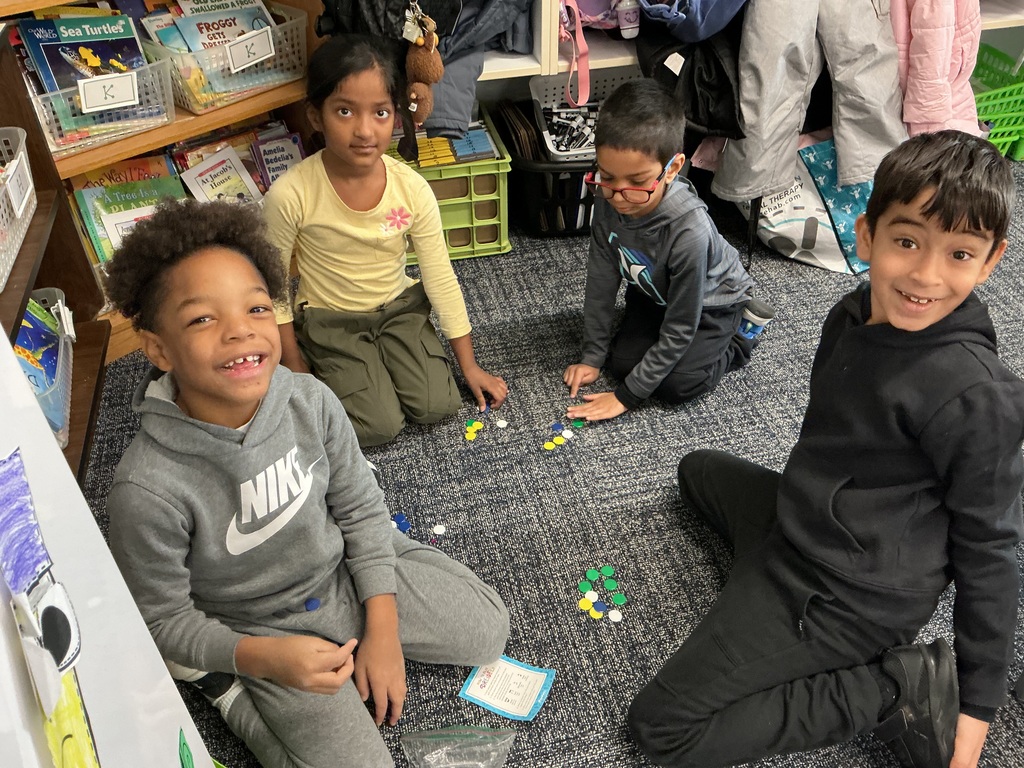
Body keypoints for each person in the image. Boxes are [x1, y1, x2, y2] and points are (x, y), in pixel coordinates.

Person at [628, 130, 1024, 768]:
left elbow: (991, 554)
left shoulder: (980, 398)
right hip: (805, 523)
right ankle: (763, 584)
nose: (924, 275)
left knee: (662, 728)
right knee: (696, 469)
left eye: (958, 254)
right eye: (906, 242)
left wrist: (976, 714)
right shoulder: (853, 311)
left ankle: (895, 687)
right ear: (866, 235)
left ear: (989, 262)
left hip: (856, 594)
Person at [103, 199, 510, 768]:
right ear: (158, 348)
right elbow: (164, 620)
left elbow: (361, 506)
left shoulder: (309, 398)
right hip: (258, 625)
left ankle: (385, 571)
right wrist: (262, 660)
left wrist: (383, 623)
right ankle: (224, 689)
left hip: (337, 568)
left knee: (487, 629)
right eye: (203, 318)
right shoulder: (145, 490)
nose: (240, 331)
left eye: (257, 308)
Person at [261, 33, 507, 447]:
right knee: (379, 426)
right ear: (316, 116)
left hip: (399, 311)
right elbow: (273, 289)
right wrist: (296, 365)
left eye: (380, 112)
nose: (364, 131)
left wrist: (470, 365)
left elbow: (439, 276)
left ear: (397, 114)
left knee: (437, 406)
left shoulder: (410, 188)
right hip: (331, 320)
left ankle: (381, 361)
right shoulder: (290, 194)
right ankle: (334, 361)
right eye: (344, 111)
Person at [562, 78, 773, 423]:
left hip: (710, 304)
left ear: (673, 168)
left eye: (638, 182)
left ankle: (741, 336)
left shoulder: (690, 231)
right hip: (654, 290)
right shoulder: (609, 197)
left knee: (678, 385)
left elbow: (681, 325)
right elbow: (600, 281)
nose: (619, 195)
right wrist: (592, 356)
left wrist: (625, 398)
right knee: (622, 365)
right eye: (608, 176)